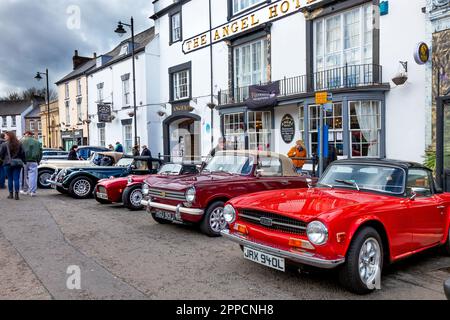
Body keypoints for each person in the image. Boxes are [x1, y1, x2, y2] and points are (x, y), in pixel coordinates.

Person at [0, 131, 26, 200]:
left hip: (7, 163)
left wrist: (3, 159)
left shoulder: (4, 145)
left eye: (5, 135)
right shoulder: (19, 144)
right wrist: (23, 161)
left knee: (10, 179)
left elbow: (1, 154)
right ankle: (17, 194)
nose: (4, 137)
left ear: (9, 136)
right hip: (18, 163)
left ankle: (11, 194)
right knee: (16, 178)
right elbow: (23, 153)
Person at [20, 131, 42, 197]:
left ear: (27, 134)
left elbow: (19, 151)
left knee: (24, 176)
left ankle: (25, 190)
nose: (24, 135)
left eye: (25, 134)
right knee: (33, 176)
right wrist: (38, 160)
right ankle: (33, 192)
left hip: (24, 161)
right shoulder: (37, 142)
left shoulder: (22, 141)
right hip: (34, 160)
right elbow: (40, 153)